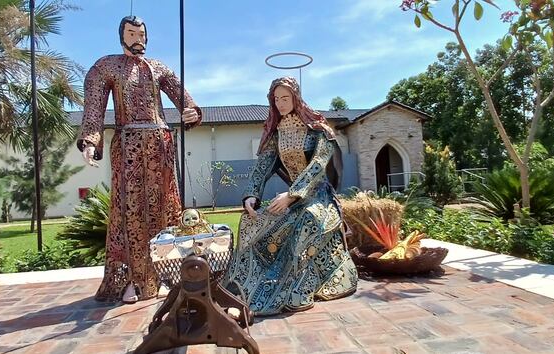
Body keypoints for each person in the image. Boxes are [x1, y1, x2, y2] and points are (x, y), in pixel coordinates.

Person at [77, 16, 202, 303]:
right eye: (132, 33)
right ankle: (130, 280)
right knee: (129, 213)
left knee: (167, 208)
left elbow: (183, 97)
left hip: (160, 144)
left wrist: (191, 111)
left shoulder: (159, 68)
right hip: (128, 144)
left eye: (142, 33)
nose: (138, 39)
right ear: (121, 35)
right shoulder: (106, 67)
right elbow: (94, 108)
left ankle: (170, 275)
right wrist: (90, 139)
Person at [223, 77, 357, 316]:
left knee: (307, 219)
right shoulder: (276, 133)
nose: (281, 103)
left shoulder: (318, 129)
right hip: (290, 197)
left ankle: (301, 287)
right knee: (251, 222)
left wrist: (293, 194)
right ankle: (245, 286)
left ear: (296, 97)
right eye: (276, 99)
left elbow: (317, 166)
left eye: (285, 98)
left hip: (319, 196)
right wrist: (251, 195)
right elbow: (262, 166)